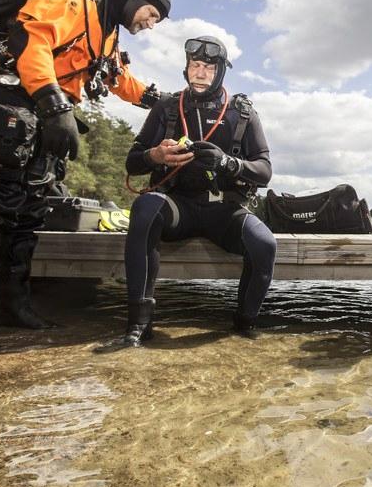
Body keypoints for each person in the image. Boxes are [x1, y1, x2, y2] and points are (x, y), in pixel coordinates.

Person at [0, 0, 172, 353]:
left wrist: (157, 100)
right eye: (152, 14)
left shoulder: (108, 33)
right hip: (9, 104)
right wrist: (54, 103)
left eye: (156, 22)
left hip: (43, 119)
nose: (150, 24)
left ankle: (11, 306)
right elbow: (32, 42)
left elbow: (119, 79)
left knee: (29, 212)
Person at [109, 35, 275, 348]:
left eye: (208, 68)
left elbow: (265, 170)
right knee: (145, 207)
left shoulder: (242, 113)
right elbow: (133, 163)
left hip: (224, 211)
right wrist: (155, 155)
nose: (199, 73)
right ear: (186, 68)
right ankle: (138, 326)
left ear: (221, 72)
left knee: (265, 244)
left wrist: (228, 163)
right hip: (178, 207)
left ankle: (244, 325)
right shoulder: (167, 107)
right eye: (194, 65)